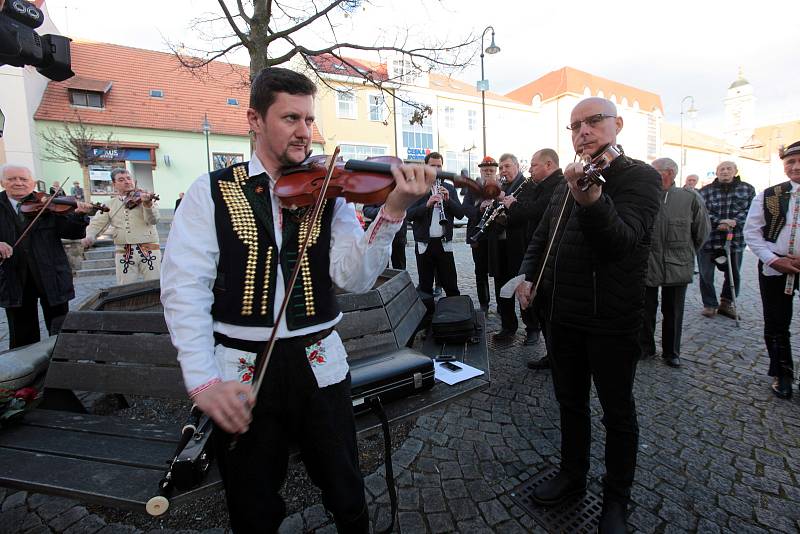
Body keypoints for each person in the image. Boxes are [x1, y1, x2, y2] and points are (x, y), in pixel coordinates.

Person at [160, 67, 434, 533]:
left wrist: (392, 212)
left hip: (319, 358)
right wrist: (203, 381)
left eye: (309, 120)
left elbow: (353, 277)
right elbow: (183, 288)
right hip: (241, 363)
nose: (304, 132)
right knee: (251, 501)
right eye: (291, 118)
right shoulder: (212, 191)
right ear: (254, 119)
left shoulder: (330, 190)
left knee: (346, 486)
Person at [514, 97, 661, 533]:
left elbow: (622, 242)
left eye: (593, 121)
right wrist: (527, 274)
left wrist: (593, 200)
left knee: (617, 412)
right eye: (575, 125)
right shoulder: (566, 180)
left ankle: (617, 498)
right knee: (570, 403)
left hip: (611, 317)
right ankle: (572, 475)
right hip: (563, 315)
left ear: (617, 124)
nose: (583, 131)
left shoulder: (640, 177)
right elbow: (544, 235)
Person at [0, 164, 91, 349]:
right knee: (22, 334)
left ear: (32, 182)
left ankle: (62, 365)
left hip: (51, 275)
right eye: (12, 179)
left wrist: (79, 216)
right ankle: (27, 372)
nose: (18, 183)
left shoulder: (50, 203)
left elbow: (72, 232)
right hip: (15, 278)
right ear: (2, 182)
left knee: (60, 330)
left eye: (23, 179)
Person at [640, 158, 710, 367]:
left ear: (668, 173)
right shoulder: (645, 196)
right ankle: (645, 348)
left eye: (654, 171)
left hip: (677, 264)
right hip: (648, 263)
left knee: (674, 310)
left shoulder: (689, 198)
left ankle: (671, 352)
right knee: (645, 308)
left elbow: (701, 232)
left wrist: (685, 253)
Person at [744, 140, 800, 399]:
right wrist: (773, 259)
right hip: (775, 264)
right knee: (777, 322)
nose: (796, 166)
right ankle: (782, 373)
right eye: (791, 162)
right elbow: (752, 233)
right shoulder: (769, 195)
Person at [489, 153, 538, 343]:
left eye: (507, 166)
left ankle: (532, 327)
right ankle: (508, 327)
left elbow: (528, 212)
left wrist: (506, 205)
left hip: (519, 245)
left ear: (517, 167)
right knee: (502, 286)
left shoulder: (528, 186)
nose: (503, 171)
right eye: (501, 168)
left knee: (521, 286)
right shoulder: (500, 187)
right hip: (499, 245)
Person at [407, 151, 464, 313]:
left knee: (451, 285)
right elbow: (408, 215)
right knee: (425, 287)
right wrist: (427, 205)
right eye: (433, 166)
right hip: (424, 244)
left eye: (439, 166)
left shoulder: (449, 188)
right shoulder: (417, 188)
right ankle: (429, 321)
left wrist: (448, 200)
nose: (437, 169)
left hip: (444, 243)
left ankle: (455, 317)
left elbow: (460, 213)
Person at [81, 169, 161, 285]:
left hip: (149, 248)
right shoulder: (110, 204)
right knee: (125, 287)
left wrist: (147, 205)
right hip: (123, 250)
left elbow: (153, 220)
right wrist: (90, 235)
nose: (127, 182)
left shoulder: (144, 198)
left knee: (155, 285)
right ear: (114, 184)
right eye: (121, 180)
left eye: (129, 178)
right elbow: (97, 224)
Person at [698, 161, 755, 319]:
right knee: (705, 274)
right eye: (721, 169)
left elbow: (751, 211)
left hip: (734, 239)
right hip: (709, 239)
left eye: (728, 168)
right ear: (716, 173)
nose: (725, 171)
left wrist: (734, 222)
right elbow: (702, 211)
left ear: (735, 171)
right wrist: (720, 222)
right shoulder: (705, 191)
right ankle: (709, 304)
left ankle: (726, 303)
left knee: (733, 274)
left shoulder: (747, 189)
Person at [524, 148, 565, 370]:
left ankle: (556, 357)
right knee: (542, 308)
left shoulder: (559, 184)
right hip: (539, 252)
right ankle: (552, 354)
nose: (530, 170)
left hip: (549, 257)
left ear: (549, 165)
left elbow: (536, 212)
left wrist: (513, 204)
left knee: (547, 308)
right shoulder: (541, 185)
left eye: (534, 165)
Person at [463, 156, 500, 312]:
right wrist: (479, 209)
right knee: (480, 272)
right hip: (478, 236)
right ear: (480, 170)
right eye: (485, 170)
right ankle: (484, 304)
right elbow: (465, 209)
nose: (488, 172)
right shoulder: (473, 188)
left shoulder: (501, 186)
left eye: (491, 170)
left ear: (495, 171)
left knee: (499, 271)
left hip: (496, 237)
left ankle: (501, 305)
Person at [363, 203, 406, 270]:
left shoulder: (402, 192)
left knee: (399, 267)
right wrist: (382, 211)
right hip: (379, 236)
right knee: (381, 268)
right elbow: (366, 210)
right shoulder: (375, 193)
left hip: (398, 235)